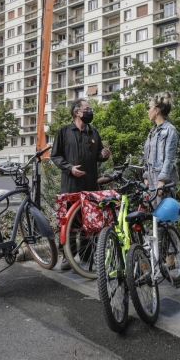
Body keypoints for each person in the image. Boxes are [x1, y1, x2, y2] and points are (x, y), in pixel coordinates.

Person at [50, 99, 111, 270]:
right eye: (87, 109)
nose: (90, 111)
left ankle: (87, 254)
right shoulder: (63, 131)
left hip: (90, 185)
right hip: (70, 185)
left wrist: (104, 155)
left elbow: (99, 155)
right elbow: (55, 156)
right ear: (77, 112)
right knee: (69, 222)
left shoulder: (93, 132)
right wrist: (69, 168)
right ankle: (67, 257)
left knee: (89, 222)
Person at [142, 92, 179, 207]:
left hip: (164, 180)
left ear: (157, 110)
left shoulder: (170, 130)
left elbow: (169, 159)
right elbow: (147, 156)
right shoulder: (152, 132)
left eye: (149, 107)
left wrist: (162, 181)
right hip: (152, 179)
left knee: (165, 219)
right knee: (155, 218)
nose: (147, 111)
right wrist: (146, 176)